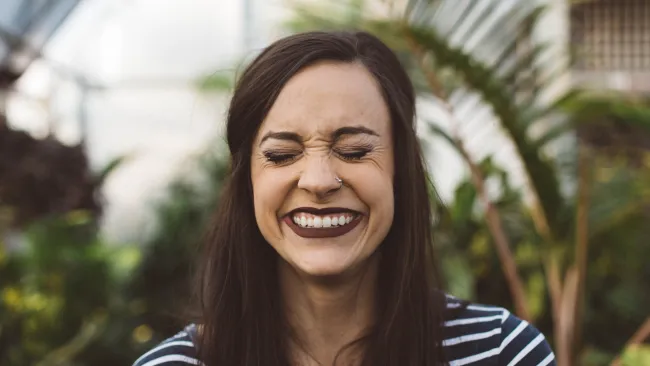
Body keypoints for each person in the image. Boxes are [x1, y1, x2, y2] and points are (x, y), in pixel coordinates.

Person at [133, 30, 556, 366]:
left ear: (401, 171)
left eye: (354, 151)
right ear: (247, 182)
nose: (318, 180)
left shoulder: (502, 353)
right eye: (282, 155)